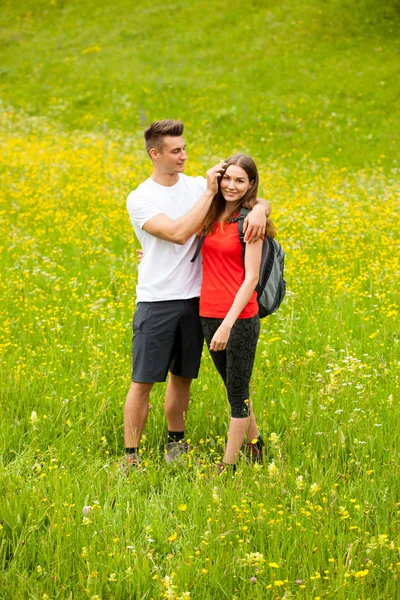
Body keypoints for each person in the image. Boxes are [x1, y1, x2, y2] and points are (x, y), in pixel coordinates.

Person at [124, 120, 270, 467]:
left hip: (197, 300)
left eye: (185, 148)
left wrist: (262, 208)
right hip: (156, 300)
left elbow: (244, 193)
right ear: (154, 153)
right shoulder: (141, 197)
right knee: (143, 381)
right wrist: (207, 192)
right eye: (176, 151)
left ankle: (177, 442)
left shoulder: (194, 186)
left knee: (182, 377)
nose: (184, 156)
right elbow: (175, 233)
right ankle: (131, 457)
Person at [199, 154, 270, 473]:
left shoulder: (250, 221)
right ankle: (257, 448)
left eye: (240, 180)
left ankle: (227, 466)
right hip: (207, 314)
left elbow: (251, 278)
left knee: (237, 394)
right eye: (228, 178)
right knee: (233, 387)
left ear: (251, 185)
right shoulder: (209, 213)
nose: (231, 185)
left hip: (238, 319)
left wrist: (227, 325)